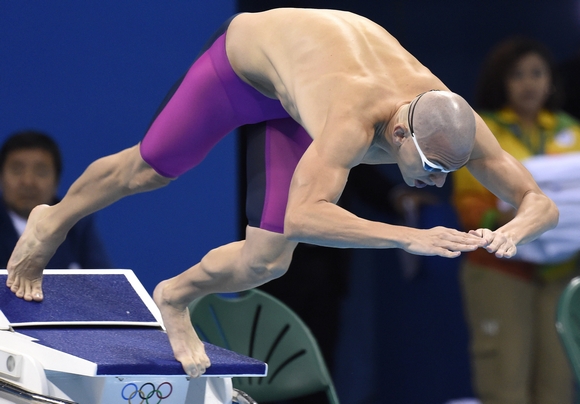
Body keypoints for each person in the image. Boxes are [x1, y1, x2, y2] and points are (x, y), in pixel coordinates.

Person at [6, 9, 558, 378]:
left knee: (266, 261)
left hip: (302, 93)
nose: (437, 181)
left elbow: (541, 203)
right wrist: (406, 237)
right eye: (433, 168)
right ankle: (53, 221)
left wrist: (514, 230)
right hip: (244, 68)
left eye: (448, 170)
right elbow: (303, 216)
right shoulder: (351, 118)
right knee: (150, 169)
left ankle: (173, 296)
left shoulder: (454, 121)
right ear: (397, 133)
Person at [452, 36, 580, 404]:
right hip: (501, 271)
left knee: (558, 386)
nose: (528, 83)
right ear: (501, 81)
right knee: (506, 385)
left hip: (560, 275)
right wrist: (504, 216)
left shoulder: (571, 130)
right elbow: (469, 206)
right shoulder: (481, 131)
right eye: (517, 75)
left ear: (550, 80)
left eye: (537, 73)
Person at [0, 130, 111, 269]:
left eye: (41, 172)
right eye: (17, 170)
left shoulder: (75, 224)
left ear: (56, 181)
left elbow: (102, 278)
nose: (28, 182)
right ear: (1, 177)